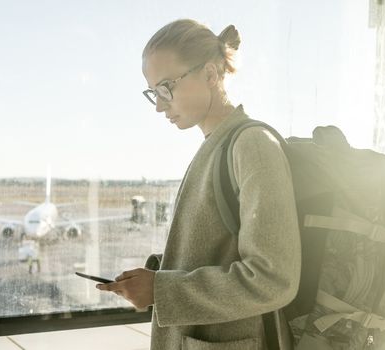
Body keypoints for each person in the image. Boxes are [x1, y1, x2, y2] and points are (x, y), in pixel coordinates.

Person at [96, 19, 301, 349]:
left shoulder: (252, 146)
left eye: (167, 88)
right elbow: (217, 251)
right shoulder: (216, 146)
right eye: (154, 93)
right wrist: (154, 277)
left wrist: (161, 290)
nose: (160, 105)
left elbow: (273, 279)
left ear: (209, 74)